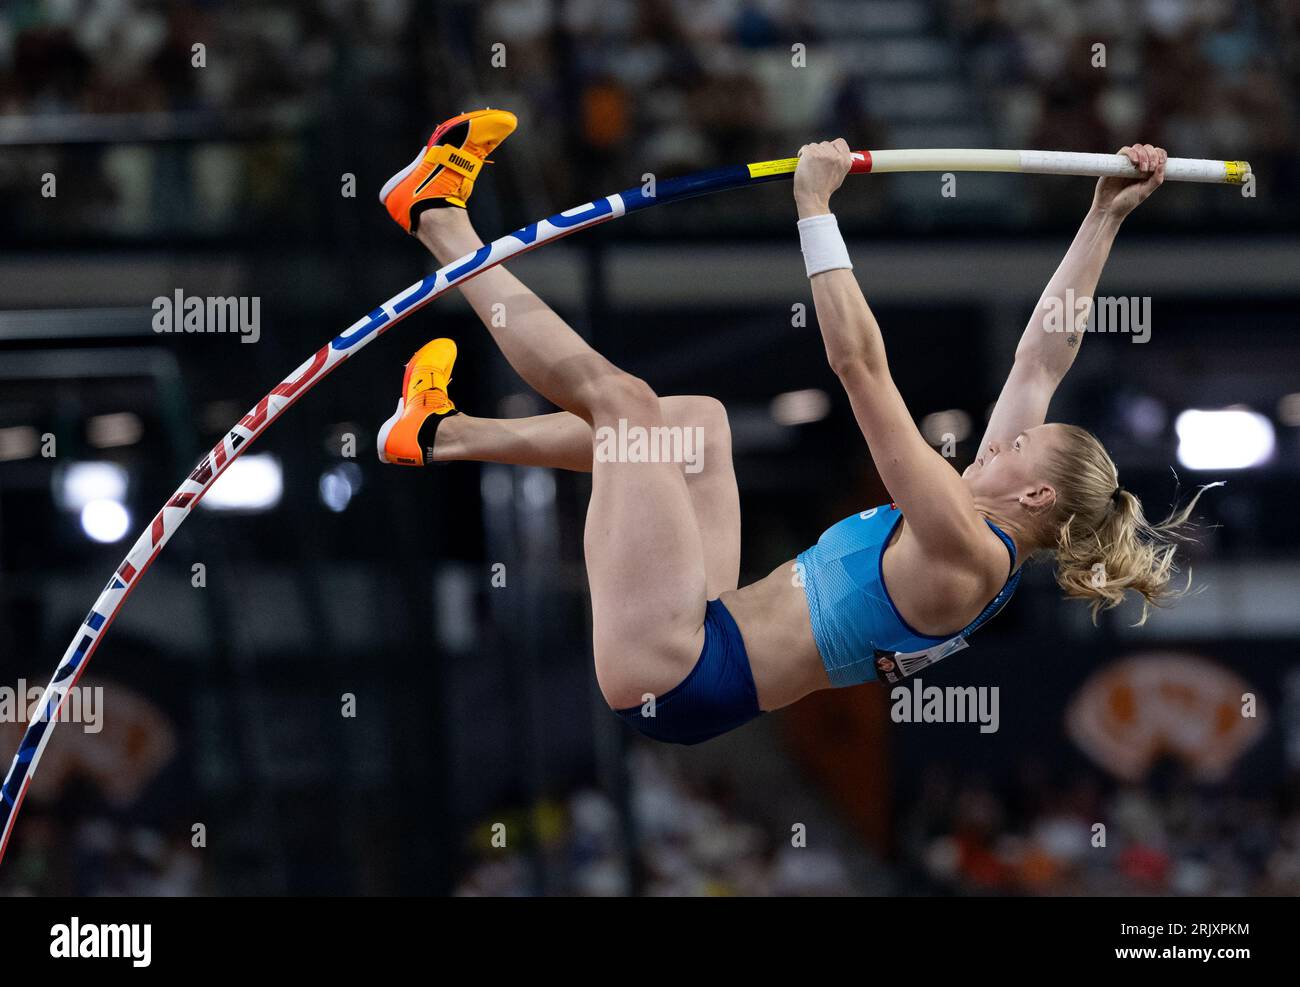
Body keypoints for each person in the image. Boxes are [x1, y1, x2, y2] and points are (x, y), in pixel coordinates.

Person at [375, 109, 1206, 744]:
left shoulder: (963, 545)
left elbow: (860, 368)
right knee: (693, 429)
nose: (1007, 434)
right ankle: (441, 433)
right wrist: (1106, 216)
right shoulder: (992, 516)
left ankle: (439, 218)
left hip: (679, 668)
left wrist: (813, 208)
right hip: (710, 624)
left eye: (1022, 445)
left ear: (1034, 490)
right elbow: (1041, 360)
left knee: (625, 402)